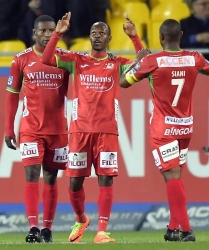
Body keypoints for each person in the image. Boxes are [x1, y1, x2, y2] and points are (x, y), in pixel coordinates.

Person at [42, 12, 144, 243]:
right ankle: (80, 219)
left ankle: (102, 231)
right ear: (89, 38)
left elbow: (145, 64)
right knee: (75, 181)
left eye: (102, 33)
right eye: (93, 33)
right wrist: (58, 34)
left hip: (107, 131)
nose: (97, 36)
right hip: (79, 131)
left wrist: (135, 38)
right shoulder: (76, 60)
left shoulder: (117, 63)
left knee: (106, 179)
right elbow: (46, 59)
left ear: (109, 38)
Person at [119, 19, 209, 242]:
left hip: (163, 129)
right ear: (181, 35)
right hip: (185, 128)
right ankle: (173, 228)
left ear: (161, 37)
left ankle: (186, 229)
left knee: (172, 177)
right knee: (175, 176)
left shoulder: (153, 61)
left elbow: (123, 82)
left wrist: (138, 61)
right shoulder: (195, 58)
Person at [4, 15, 70, 243]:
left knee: (51, 178)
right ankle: (33, 227)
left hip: (58, 130)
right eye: (43, 30)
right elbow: (12, 97)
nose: (47, 34)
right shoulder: (20, 59)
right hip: (31, 128)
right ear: (34, 32)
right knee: (32, 174)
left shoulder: (65, 59)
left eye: (52, 30)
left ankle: (47, 229)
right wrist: (9, 130)